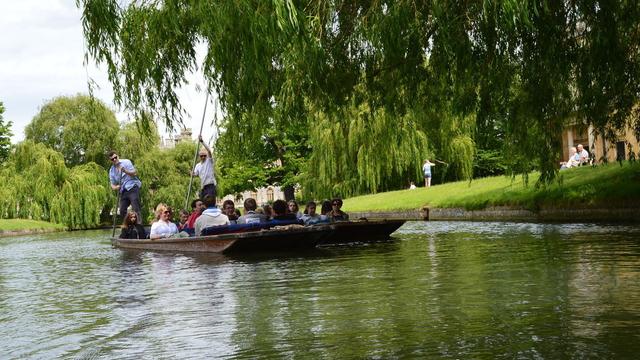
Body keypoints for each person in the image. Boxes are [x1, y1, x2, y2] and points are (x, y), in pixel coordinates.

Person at [108, 151, 142, 223]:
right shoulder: (111, 170)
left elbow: (134, 173)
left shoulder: (126, 162)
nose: (114, 159)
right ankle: (126, 228)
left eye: (115, 157)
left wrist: (125, 171)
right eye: (112, 159)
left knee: (136, 207)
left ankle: (139, 227)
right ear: (110, 160)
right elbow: (112, 185)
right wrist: (116, 187)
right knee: (122, 210)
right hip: (123, 190)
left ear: (118, 156)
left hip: (132, 187)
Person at [192, 135, 217, 201]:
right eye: (201, 156)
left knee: (210, 201)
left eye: (204, 156)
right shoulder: (198, 165)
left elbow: (209, 151)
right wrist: (191, 174)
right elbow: (195, 174)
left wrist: (202, 141)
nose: (203, 157)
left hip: (210, 185)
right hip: (203, 186)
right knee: (203, 201)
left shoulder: (209, 161)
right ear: (199, 156)